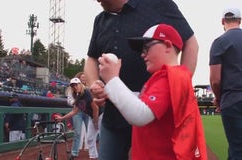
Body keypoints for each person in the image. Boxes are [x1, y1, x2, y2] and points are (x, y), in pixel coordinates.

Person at [84, 0, 199, 159]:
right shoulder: (100, 20)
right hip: (114, 114)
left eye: (147, 47)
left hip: (155, 116)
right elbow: (91, 59)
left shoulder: (158, 4)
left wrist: (179, 85)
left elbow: (191, 42)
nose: (98, 1)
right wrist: (94, 83)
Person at [209, 7, 242, 159]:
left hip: (231, 99)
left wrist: (218, 98)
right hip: (232, 98)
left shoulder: (220, 42)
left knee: (236, 147)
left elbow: (215, 80)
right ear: (240, 21)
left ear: (223, 21)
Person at [55, 78, 98, 160]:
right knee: (87, 136)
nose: (75, 87)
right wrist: (62, 118)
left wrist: (95, 120)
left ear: (80, 84)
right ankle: (89, 155)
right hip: (90, 114)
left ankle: (99, 155)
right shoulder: (77, 96)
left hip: (98, 115)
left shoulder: (87, 92)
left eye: (76, 85)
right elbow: (75, 111)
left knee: (95, 136)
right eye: (73, 86)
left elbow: (95, 108)